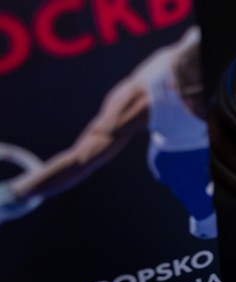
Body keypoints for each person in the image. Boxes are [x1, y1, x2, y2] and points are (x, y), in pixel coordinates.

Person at [0, 26, 216, 238]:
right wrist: (15, 194)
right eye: (200, 107)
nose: (208, 113)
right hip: (183, 152)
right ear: (174, 88)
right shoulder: (139, 102)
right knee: (206, 218)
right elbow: (80, 160)